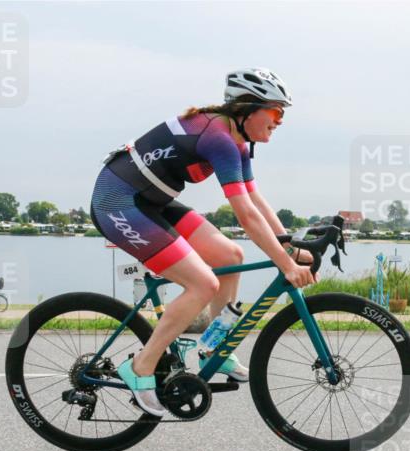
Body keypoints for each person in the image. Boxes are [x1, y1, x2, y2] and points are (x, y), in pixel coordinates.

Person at [89, 67, 315, 416]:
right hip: (117, 203)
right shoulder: (218, 139)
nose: (279, 120)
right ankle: (140, 368)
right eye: (275, 111)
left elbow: (255, 199)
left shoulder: (236, 141)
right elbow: (245, 215)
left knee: (230, 254)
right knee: (202, 284)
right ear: (246, 109)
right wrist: (285, 264)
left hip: (152, 201)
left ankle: (214, 348)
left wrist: (288, 246)